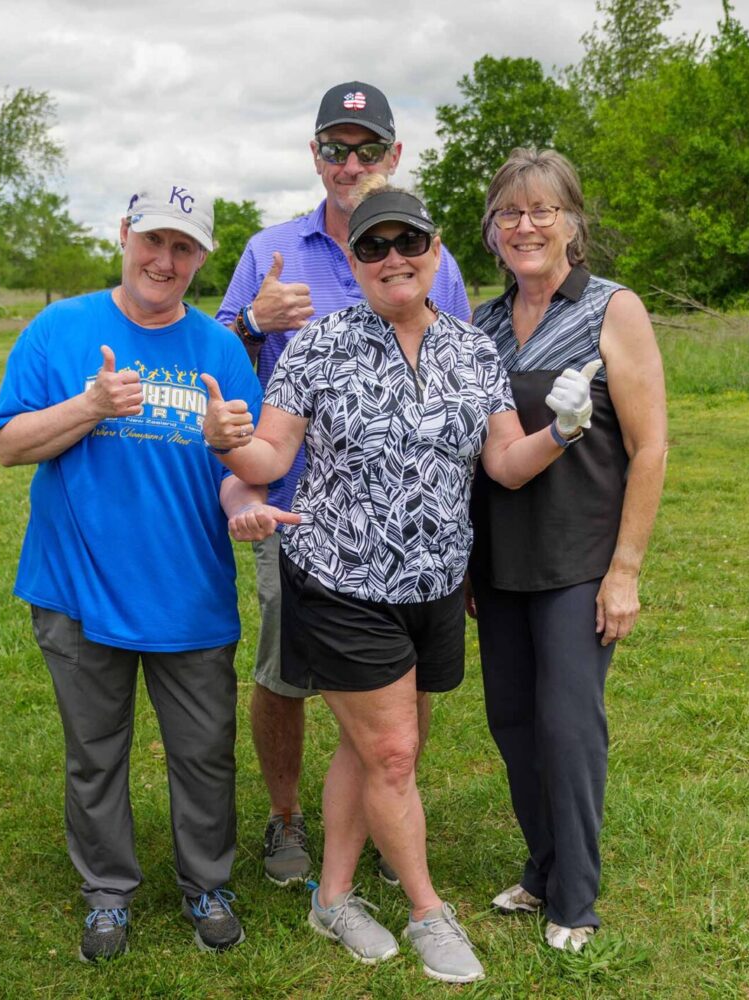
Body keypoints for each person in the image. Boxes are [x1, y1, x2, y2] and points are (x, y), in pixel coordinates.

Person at [200, 179, 599, 984]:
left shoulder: (471, 349)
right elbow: (270, 460)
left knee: (365, 743)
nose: (393, 258)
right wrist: (224, 443)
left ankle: (334, 896)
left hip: (435, 587)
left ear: (435, 250)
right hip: (340, 579)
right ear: (354, 259)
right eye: (373, 246)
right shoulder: (317, 345)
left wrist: (561, 429)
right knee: (391, 753)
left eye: (408, 242)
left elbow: (503, 465)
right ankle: (427, 911)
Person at [0, 182, 296, 962]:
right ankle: (107, 894)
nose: (165, 259)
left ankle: (208, 885)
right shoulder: (61, 329)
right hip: (77, 589)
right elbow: (9, 443)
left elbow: (240, 465)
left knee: (204, 754)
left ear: (202, 259)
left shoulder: (221, 350)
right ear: (124, 234)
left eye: (184, 247)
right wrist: (90, 404)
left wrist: (243, 500)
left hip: (187, 592)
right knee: (95, 754)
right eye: (153, 240)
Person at [216, 81, 471, 888]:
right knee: (286, 675)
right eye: (335, 147)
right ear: (315, 154)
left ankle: (390, 821)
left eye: (368, 148)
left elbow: (462, 370)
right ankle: (286, 819)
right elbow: (212, 354)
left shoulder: (434, 253)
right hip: (294, 508)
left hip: (414, 523)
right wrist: (253, 321)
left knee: (407, 681)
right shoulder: (271, 249)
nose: (350, 163)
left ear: (394, 155)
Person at [468, 148, 667, 953]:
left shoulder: (613, 308)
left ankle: (575, 901)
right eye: (510, 213)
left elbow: (650, 448)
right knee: (512, 720)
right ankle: (544, 866)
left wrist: (625, 571)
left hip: (580, 560)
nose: (527, 226)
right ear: (491, 232)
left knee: (568, 726)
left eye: (544, 210)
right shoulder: (481, 324)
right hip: (501, 561)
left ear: (573, 222)